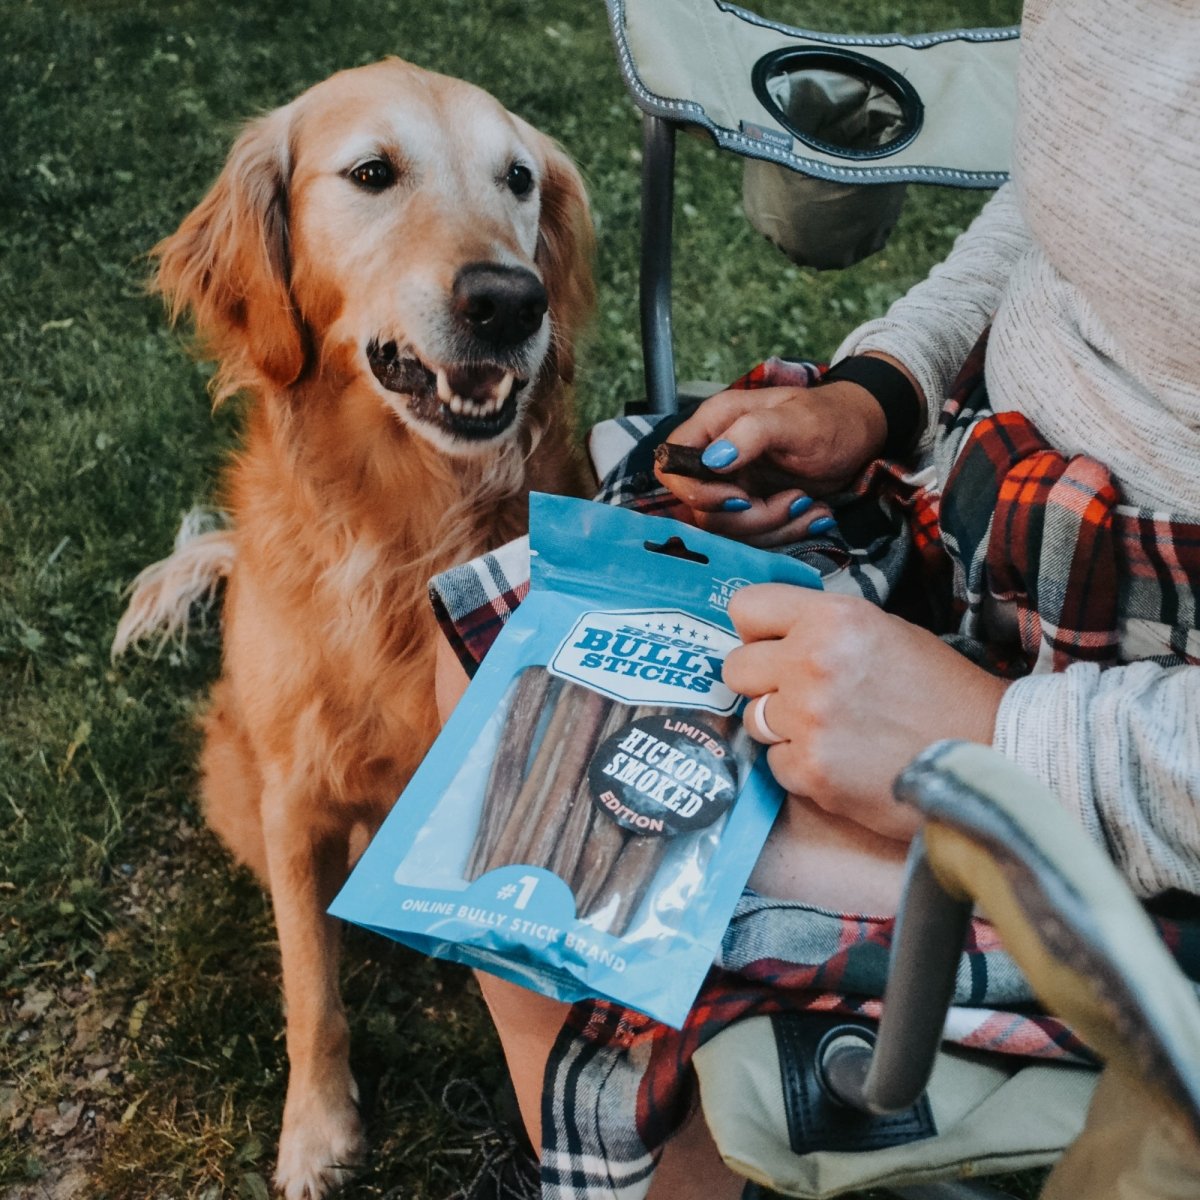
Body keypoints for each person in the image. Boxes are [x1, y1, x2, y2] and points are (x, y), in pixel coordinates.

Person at [438, 1, 1200, 1196]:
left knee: (557, 806)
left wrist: (1000, 742)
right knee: (517, 647)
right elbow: (1064, 206)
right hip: (977, 526)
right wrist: (882, 391)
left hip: (1144, 776)